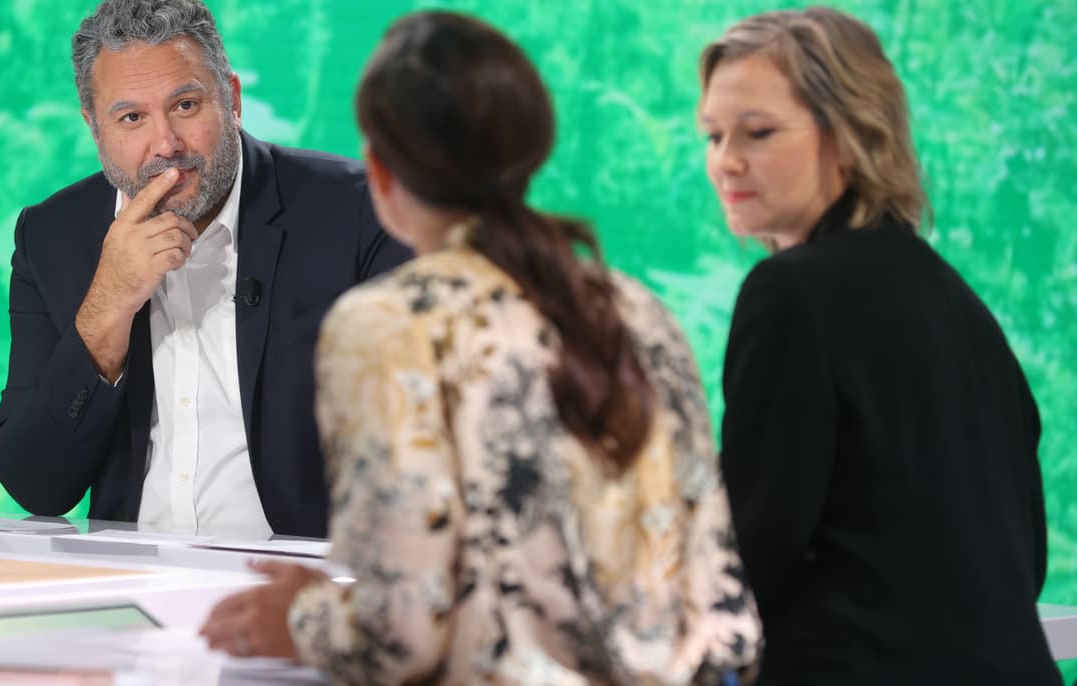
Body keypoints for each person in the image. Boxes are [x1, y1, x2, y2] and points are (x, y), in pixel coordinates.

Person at [199, 11, 761, 685]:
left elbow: (399, 634)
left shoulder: (387, 323)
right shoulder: (639, 311)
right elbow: (722, 606)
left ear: (378, 171)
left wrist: (301, 619)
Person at [699, 7, 1061, 685]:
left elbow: (755, 550)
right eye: (712, 135)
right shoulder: (958, 302)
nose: (726, 161)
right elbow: (1021, 554)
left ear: (852, 135)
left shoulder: (790, 295)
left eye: (758, 132)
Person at [0, 0, 410, 538]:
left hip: (300, 587)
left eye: (186, 105)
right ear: (95, 130)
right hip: (125, 586)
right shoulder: (52, 236)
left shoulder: (360, 212)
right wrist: (108, 305)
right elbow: (35, 485)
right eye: (131, 118)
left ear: (230, 99)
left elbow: (426, 450)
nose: (166, 145)